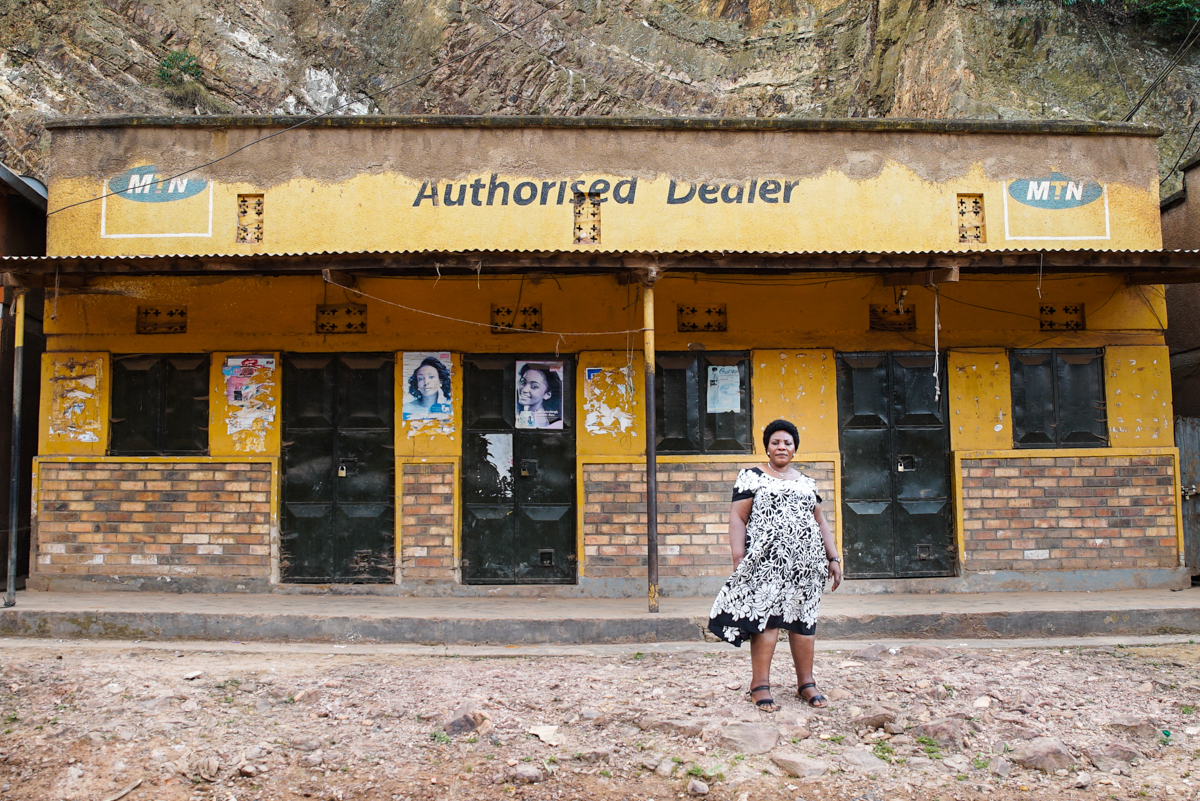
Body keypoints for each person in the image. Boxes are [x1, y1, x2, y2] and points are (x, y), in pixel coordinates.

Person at [707, 418, 843, 712]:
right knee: (766, 622)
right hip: (766, 564)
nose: (782, 447)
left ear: (794, 449)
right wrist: (738, 557)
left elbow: (820, 521)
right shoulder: (751, 476)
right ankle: (760, 685)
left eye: (787, 443)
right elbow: (737, 518)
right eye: (775, 442)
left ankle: (806, 683)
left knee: (804, 622)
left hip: (807, 566)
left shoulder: (807, 482)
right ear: (767, 447)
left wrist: (833, 557)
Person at [516, 363, 563, 429]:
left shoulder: (538, 420)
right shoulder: (525, 414)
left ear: (547, 394)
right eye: (523, 382)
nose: (524, 390)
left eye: (534, 386)